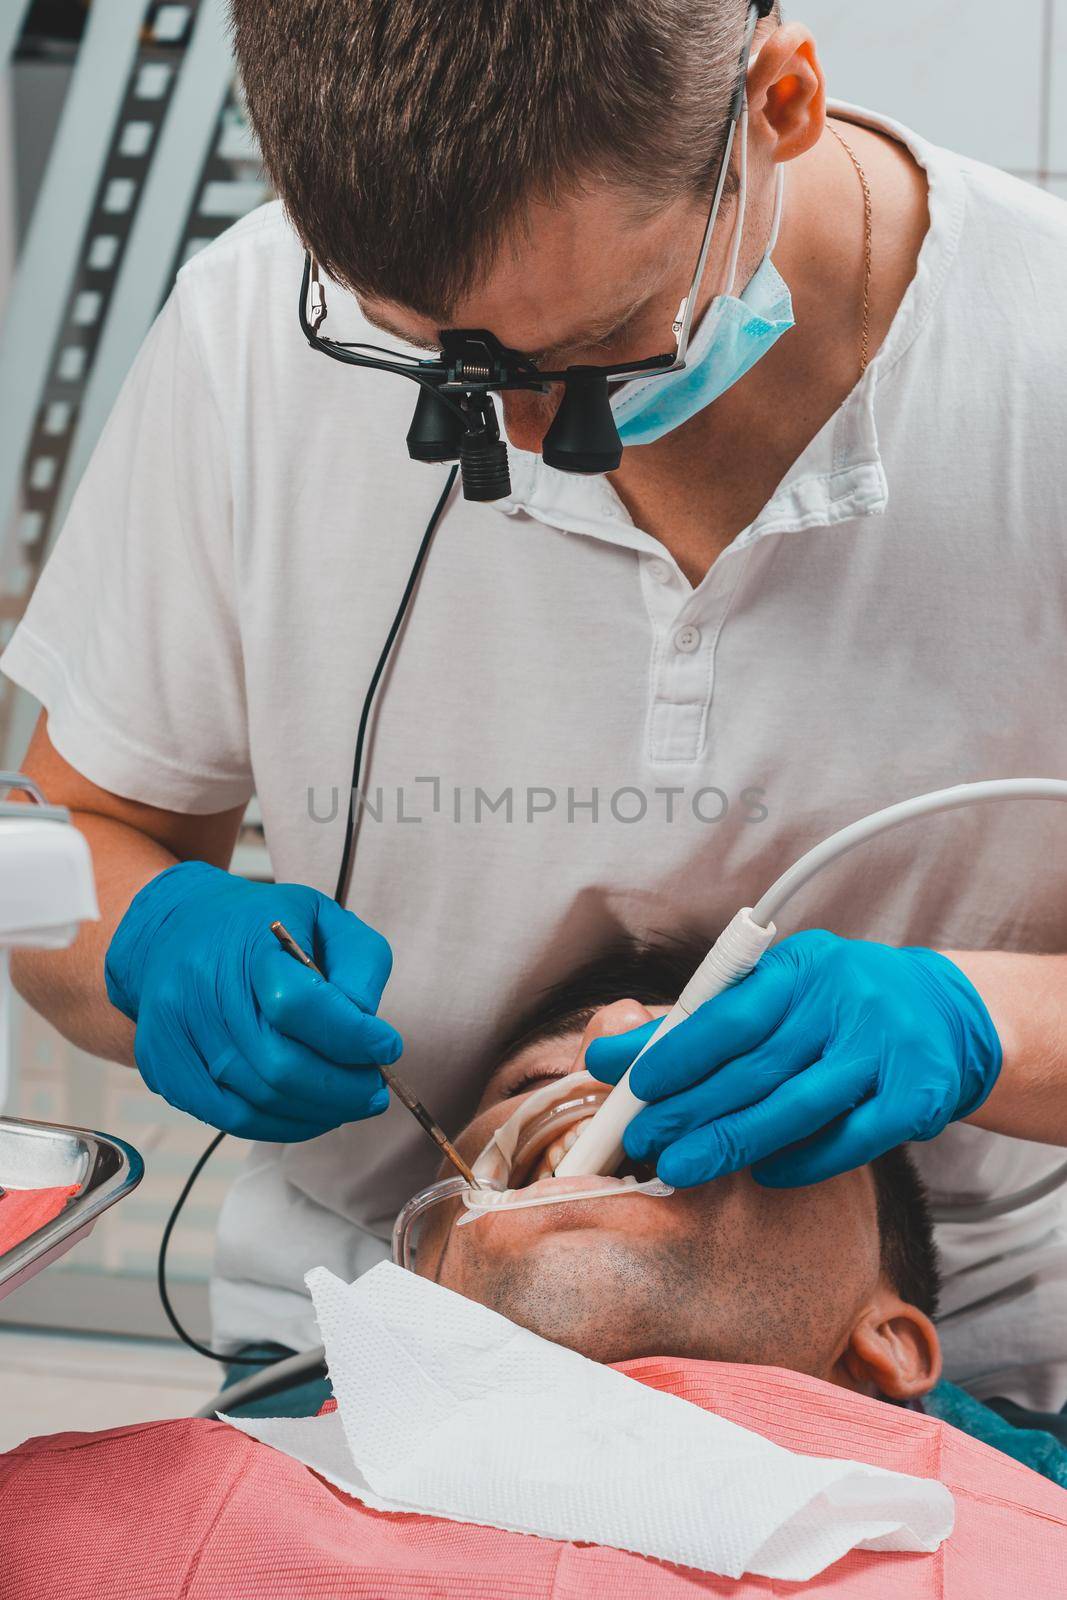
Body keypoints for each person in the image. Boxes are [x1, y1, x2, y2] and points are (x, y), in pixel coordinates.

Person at [4, 0, 1067, 1420]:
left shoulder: (1031, 374)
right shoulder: (247, 333)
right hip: (359, 1349)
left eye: (599, 351)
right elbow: (81, 837)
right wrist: (146, 942)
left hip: (969, 1372)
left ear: (780, 102)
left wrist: (977, 1024)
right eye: (430, 367)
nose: (511, 441)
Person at [2, 941, 1065, 1600]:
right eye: (529, 1080)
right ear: (425, 1277)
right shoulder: (55, 1518)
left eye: (736, 1089)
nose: (608, 1048)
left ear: (889, 1341)